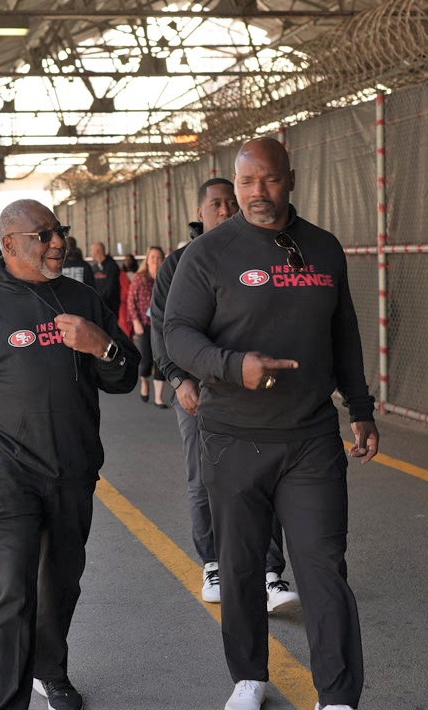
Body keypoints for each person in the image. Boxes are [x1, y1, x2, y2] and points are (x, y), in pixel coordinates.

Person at [164, 139, 379, 710]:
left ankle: (336, 696)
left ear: (291, 178)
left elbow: (344, 335)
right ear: (235, 187)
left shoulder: (324, 249)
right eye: (247, 183)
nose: (258, 193)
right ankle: (249, 677)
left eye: (270, 180)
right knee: (239, 566)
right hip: (233, 437)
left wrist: (360, 407)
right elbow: (178, 333)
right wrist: (234, 366)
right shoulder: (208, 254)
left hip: (310, 439)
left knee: (323, 568)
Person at [0, 199, 138, 710]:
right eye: (43, 235)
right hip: (7, 473)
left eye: (58, 232)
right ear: (10, 243)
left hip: (73, 468)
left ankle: (50, 669)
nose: (57, 242)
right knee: (11, 593)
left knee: (61, 585)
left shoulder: (81, 299)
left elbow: (125, 376)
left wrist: (100, 344)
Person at [151, 178, 300, 611]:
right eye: (215, 203)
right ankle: (214, 562)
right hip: (200, 391)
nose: (223, 209)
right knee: (205, 478)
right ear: (200, 212)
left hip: (253, 392)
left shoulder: (262, 254)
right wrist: (179, 380)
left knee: (264, 478)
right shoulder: (179, 263)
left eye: (229, 202)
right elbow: (166, 330)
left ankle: (270, 572)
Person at [126, 246, 167, 407]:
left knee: (162, 359)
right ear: (147, 260)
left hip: (162, 325)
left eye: (159, 258)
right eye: (153, 258)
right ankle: (144, 381)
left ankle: (159, 397)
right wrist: (135, 322)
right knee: (146, 361)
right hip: (144, 324)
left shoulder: (166, 278)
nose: (156, 261)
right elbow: (131, 301)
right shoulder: (139, 278)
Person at [88, 242, 121, 316]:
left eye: (91, 250)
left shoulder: (112, 267)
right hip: (98, 306)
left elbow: (110, 287)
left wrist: (99, 301)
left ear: (97, 251)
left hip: (110, 307)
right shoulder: (94, 268)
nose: (91, 253)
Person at [117, 254, 136, 337]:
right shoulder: (122, 275)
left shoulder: (137, 274)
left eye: (129, 260)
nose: (127, 262)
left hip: (135, 304)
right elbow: (127, 290)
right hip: (125, 304)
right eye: (126, 260)